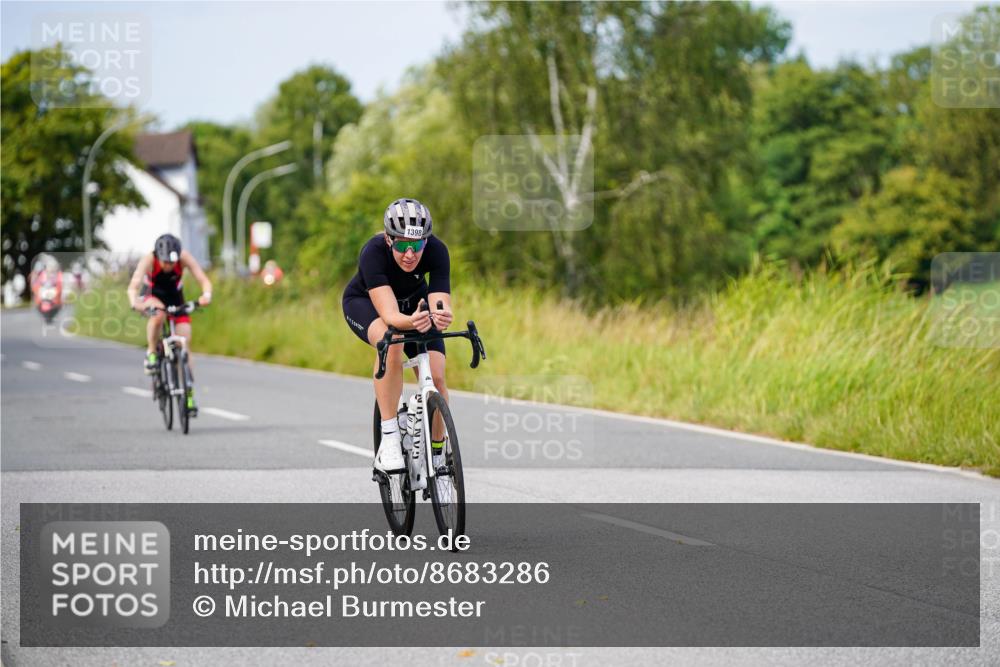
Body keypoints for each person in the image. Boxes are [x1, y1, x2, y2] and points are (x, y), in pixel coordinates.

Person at [342, 198, 453, 473]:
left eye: (416, 246)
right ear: (389, 240)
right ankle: (390, 437)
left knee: (437, 376)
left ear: (426, 242)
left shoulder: (437, 251)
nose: (409, 254)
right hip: (368, 304)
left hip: (415, 306)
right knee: (390, 342)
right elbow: (390, 316)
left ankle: (438, 454)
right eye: (402, 245)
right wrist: (413, 321)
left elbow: (439, 301)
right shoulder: (373, 253)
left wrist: (441, 314)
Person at [126, 234, 212, 414]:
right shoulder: (148, 260)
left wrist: (206, 295)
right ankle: (151, 352)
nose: (168, 266)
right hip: (152, 296)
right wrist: (135, 302)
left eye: (172, 263)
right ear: (158, 256)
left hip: (175, 298)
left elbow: (203, 280)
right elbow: (133, 287)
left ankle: (188, 395)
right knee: (158, 315)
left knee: (184, 343)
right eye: (165, 262)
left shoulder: (184, 258)